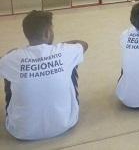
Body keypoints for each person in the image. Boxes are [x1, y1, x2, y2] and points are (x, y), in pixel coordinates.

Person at [0, 10, 88, 140]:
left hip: (21, 131)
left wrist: (11, 53)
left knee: (8, 70)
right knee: (71, 63)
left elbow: (4, 60)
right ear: (47, 33)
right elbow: (83, 44)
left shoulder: (12, 58)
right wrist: (60, 47)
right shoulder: (64, 51)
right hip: (64, 124)